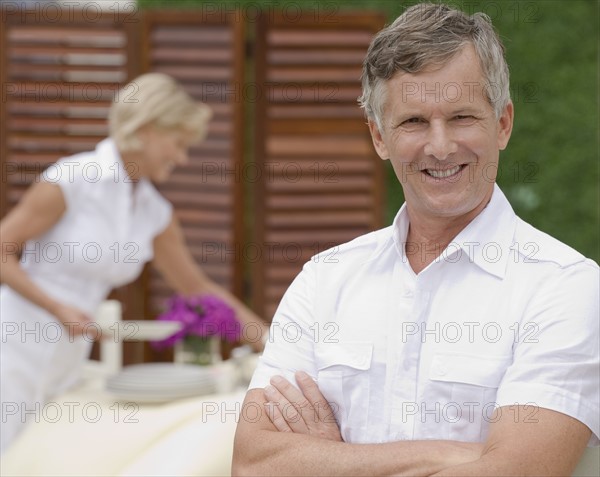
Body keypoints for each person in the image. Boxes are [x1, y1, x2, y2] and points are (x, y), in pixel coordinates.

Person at [232, 3, 599, 475]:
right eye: (413, 122)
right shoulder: (324, 280)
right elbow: (254, 462)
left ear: (503, 123)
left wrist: (332, 459)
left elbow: (516, 471)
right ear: (379, 136)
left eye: (462, 116)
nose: (440, 146)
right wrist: (450, 454)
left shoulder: (565, 287)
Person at [0, 73, 269, 452]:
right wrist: (57, 307)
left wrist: (272, 345)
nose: (182, 157)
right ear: (146, 130)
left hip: (66, 365)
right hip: (12, 352)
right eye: (178, 143)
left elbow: (196, 288)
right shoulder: (71, 180)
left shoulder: (153, 212)